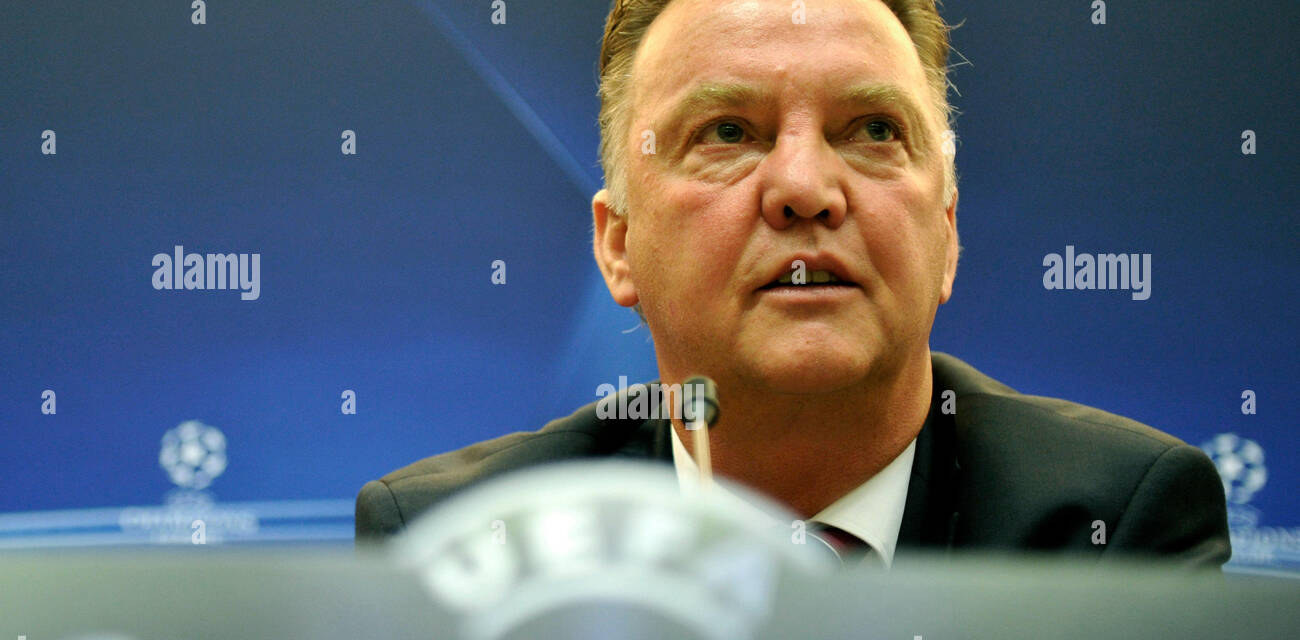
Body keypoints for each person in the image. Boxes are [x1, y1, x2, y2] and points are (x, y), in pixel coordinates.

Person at [356, 0, 1231, 568]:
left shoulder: (1118, 529)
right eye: (729, 131)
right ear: (618, 246)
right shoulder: (460, 551)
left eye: (874, 130)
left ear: (948, 233)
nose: (806, 189)